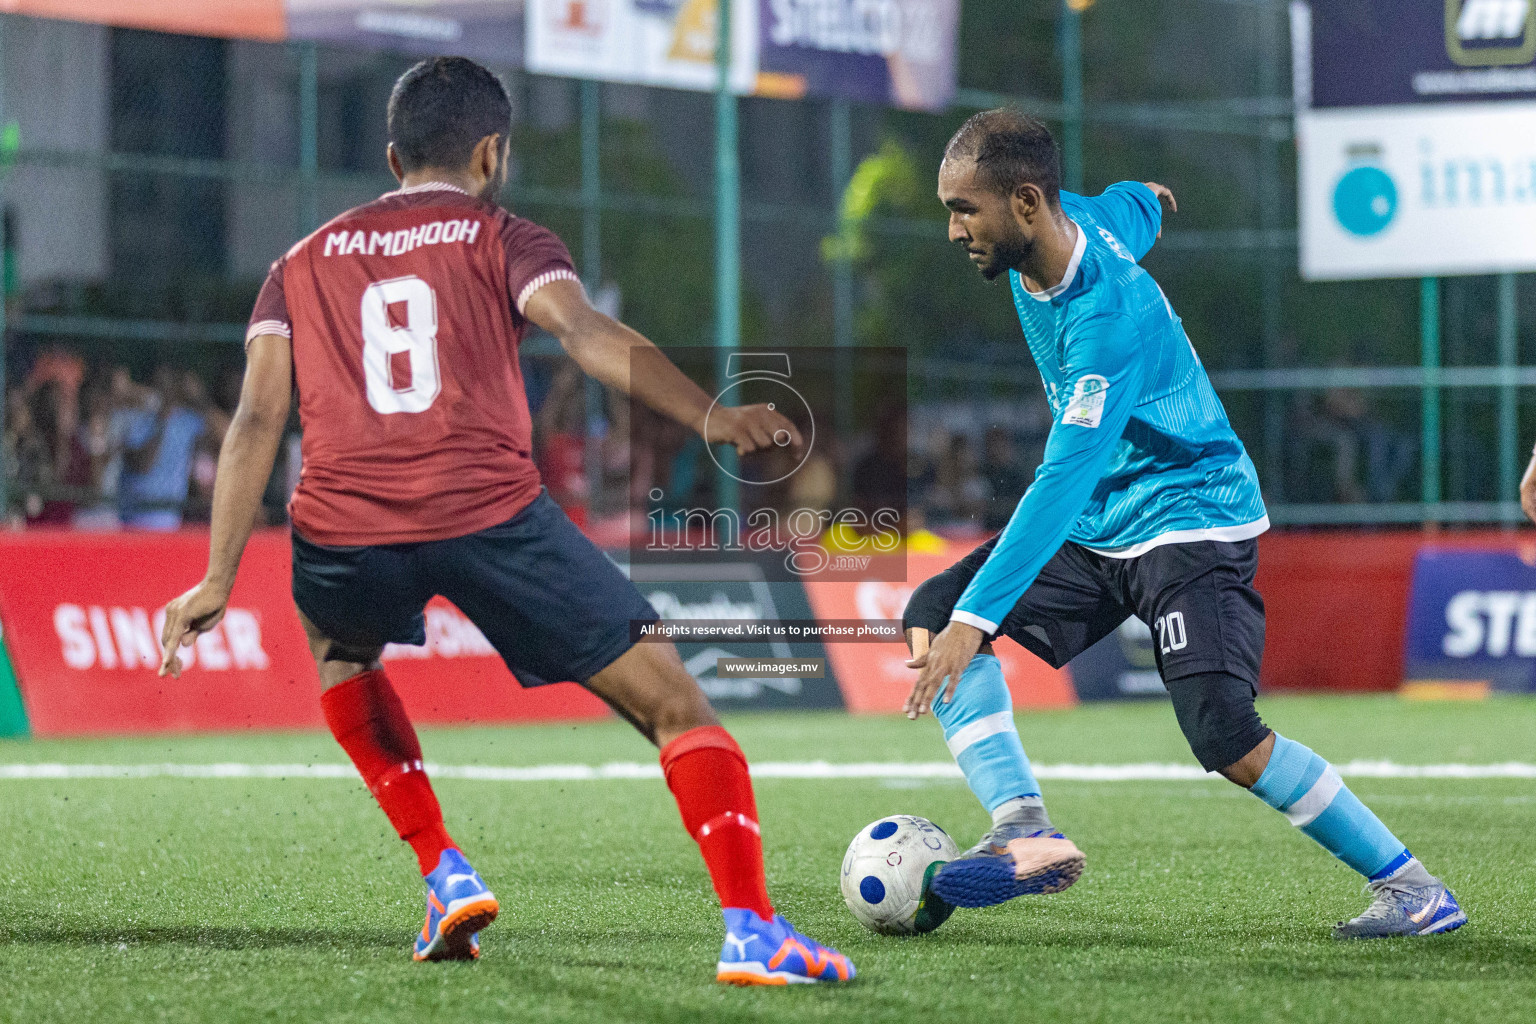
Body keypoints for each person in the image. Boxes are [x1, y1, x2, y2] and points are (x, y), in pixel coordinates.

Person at [157, 57, 852, 983]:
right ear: (493, 152)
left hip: (345, 529)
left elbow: (256, 420)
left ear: (392, 153)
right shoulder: (503, 235)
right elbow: (587, 335)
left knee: (341, 653)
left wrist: (216, 577)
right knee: (674, 706)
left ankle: (443, 869)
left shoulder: (297, 264)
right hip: (488, 514)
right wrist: (712, 415)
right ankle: (753, 931)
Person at [901, 109, 1464, 939]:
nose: (952, 230)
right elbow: (1128, 204)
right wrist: (1153, 199)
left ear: (1025, 203)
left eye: (963, 209)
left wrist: (975, 621)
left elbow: (1061, 480)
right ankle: (1023, 826)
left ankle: (1415, 890)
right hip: (1106, 520)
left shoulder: (1106, 319)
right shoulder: (1071, 220)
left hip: (1188, 514)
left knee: (1226, 738)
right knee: (927, 615)